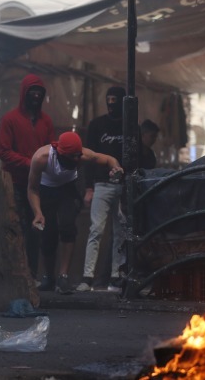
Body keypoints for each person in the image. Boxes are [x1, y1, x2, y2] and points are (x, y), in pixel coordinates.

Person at [27, 132, 123, 295]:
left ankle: (63, 276)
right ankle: (49, 277)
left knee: (67, 226)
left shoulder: (83, 155)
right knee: (48, 234)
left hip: (68, 188)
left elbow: (108, 159)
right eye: (72, 158)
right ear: (60, 153)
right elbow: (32, 188)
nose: (76, 160)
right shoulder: (41, 158)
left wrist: (116, 168)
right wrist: (37, 213)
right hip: (46, 190)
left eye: (78, 157)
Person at [0, 74, 55, 287]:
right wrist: (30, 163)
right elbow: (4, 152)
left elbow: (51, 149)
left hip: (38, 186)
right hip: (15, 182)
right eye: (33, 91)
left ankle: (31, 274)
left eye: (39, 92)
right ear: (25, 93)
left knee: (36, 230)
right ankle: (15, 274)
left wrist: (40, 166)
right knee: (15, 227)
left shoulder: (46, 121)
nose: (36, 95)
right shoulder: (10, 119)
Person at [77, 86, 127, 292]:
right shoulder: (97, 125)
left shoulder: (130, 126)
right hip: (102, 184)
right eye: (109, 99)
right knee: (97, 230)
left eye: (115, 99)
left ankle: (114, 277)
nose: (111, 103)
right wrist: (89, 186)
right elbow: (88, 158)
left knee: (120, 232)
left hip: (122, 186)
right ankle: (88, 277)